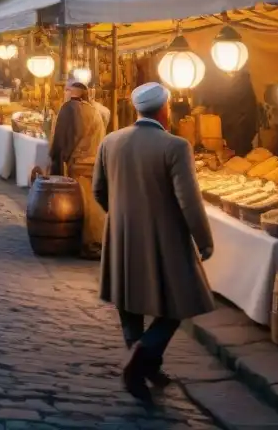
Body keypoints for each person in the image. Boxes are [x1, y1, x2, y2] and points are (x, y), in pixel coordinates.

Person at [93, 82, 214, 402]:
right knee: (179, 300)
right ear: (165, 109)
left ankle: (143, 362)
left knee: (128, 302)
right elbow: (188, 200)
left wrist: (120, 216)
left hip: (120, 235)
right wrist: (203, 239)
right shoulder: (175, 146)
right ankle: (143, 356)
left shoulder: (111, 140)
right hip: (164, 237)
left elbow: (98, 191)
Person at [49, 80, 107, 259]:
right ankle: (98, 240)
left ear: (72, 93)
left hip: (78, 164)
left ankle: (89, 243)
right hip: (94, 162)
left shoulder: (69, 109)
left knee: (84, 204)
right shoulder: (94, 110)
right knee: (93, 203)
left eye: (66, 90)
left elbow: (62, 138)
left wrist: (57, 157)